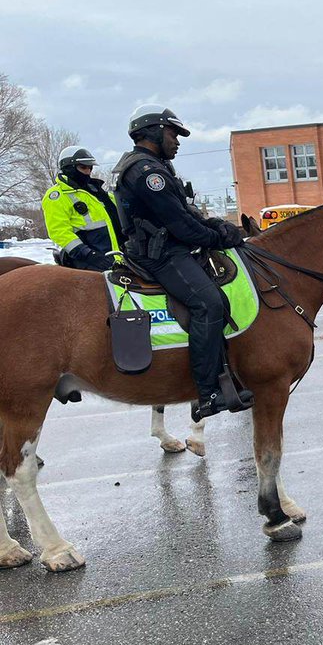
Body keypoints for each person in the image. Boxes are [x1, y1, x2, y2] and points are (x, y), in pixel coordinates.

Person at [112, 105, 248, 420]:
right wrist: (217, 238)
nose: (177, 140)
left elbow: (185, 212)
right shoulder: (147, 173)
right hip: (161, 254)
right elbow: (180, 226)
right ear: (151, 133)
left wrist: (215, 225)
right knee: (208, 303)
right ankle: (209, 392)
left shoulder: (156, 166)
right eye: (172, 133)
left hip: (168, 248)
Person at [41, 146, 121, 271]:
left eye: (90, 168)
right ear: (69, 168)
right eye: (83, 167)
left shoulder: (96, 191)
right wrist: (88, 254)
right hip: (86, 260)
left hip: (115, 256)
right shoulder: (57, 195)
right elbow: (59, 232)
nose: (88, 172)